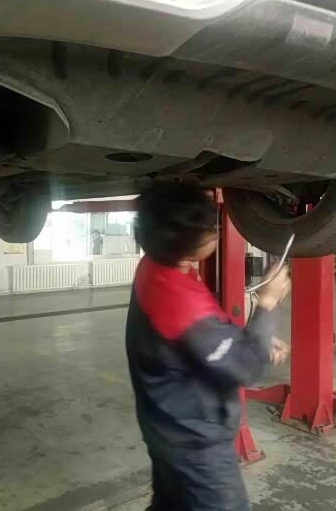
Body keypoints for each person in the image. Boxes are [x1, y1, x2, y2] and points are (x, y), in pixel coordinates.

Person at [126, 183, 291, 511]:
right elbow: (245, 367)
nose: (217, 232)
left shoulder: (157, 268)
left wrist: (253, 338)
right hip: (195, 443)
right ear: (187, 245)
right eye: (210, 230)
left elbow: (200, 339)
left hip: (164, 426)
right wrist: (268, 304)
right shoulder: (180, 303)